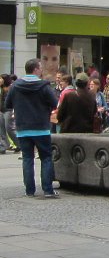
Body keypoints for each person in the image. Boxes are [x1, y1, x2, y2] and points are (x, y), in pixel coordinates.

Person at [3, 59, 59, 197]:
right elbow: (54, 103)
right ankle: (47, 190)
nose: (41, 70)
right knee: (46, 158)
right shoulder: (44, 86)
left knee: (28, 158)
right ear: (35, 69)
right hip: (41, 127)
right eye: (40, 68)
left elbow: (7, 104)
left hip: (23, 128)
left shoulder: (15, 86)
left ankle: (30, 191)